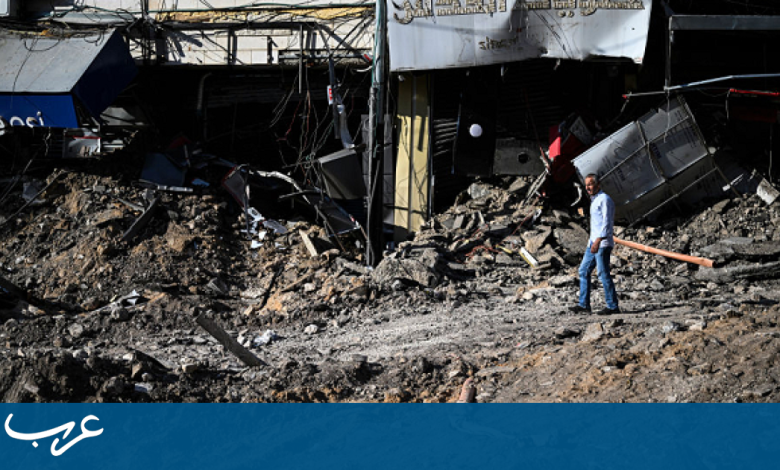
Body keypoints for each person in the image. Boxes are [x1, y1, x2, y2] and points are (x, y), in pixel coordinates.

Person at [569, 174, 620, 315]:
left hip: (602, 243)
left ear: (598, 184)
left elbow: (607, 223)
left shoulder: (604, 199)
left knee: (603, 273)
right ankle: (583, 304)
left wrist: (598, 241)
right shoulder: (595, 200)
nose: (588, 188)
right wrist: (591, 241)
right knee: (583, 270)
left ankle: (612, 306)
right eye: (586, 185)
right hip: (593, 242)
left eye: (590, 184)